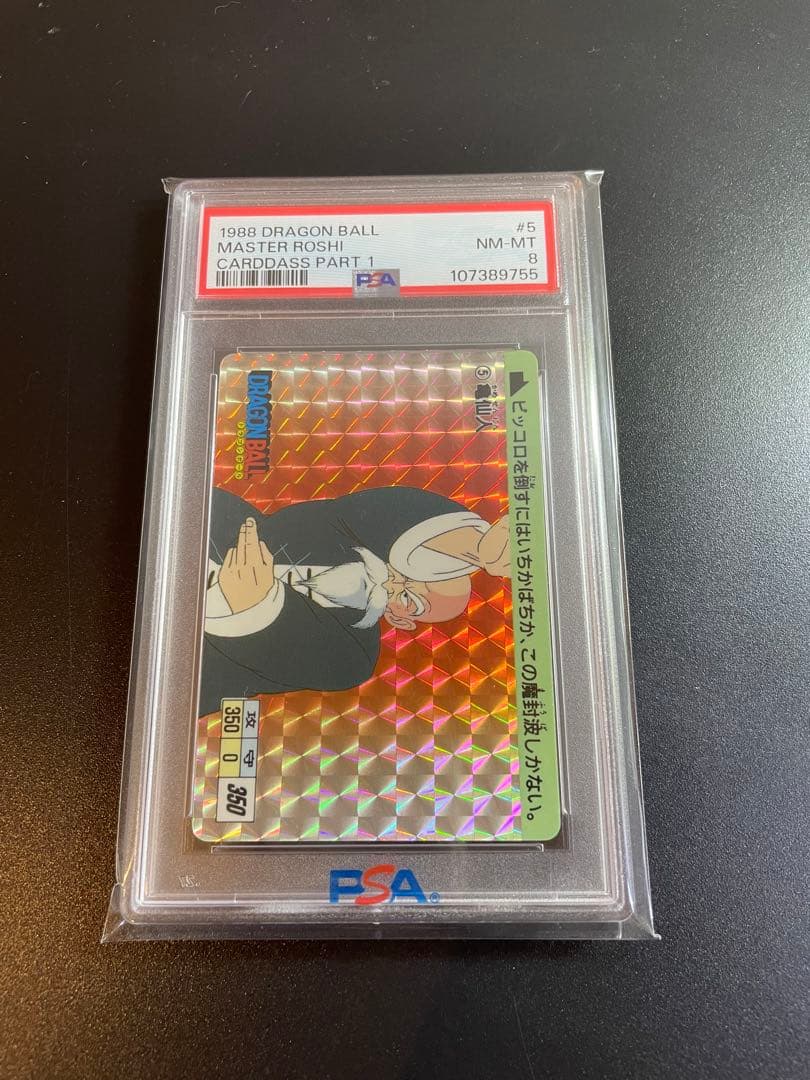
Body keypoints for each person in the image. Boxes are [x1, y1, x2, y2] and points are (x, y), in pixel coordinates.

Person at [199, 485, 510, 715]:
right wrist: (474, 546)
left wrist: (254, 606)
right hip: (200, 527)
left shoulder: (352, 658)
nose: (393, 584)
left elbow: (287, 655)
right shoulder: (341, 532)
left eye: (409, 598)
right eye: (407, 573)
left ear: (402, 618)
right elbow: (389, 513)